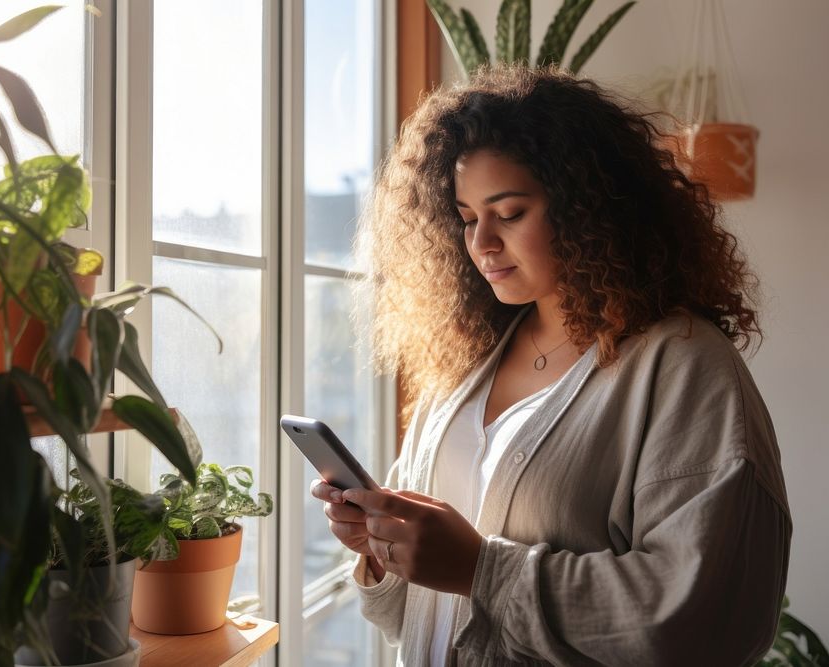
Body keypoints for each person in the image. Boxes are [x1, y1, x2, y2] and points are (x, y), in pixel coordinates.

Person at [311, 67, 791, 666]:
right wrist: (378, 546)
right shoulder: (467, 363)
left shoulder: (683, 366)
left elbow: (705, 617)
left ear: (590, 209)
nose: (482, 241)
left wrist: (481, 570)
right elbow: (406, 617)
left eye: (509, 212)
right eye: (466, 218)